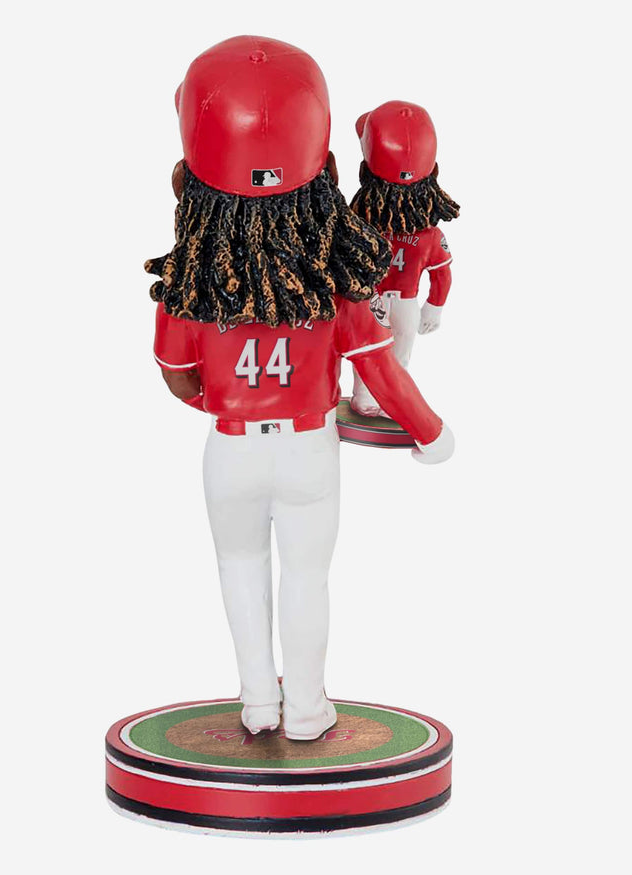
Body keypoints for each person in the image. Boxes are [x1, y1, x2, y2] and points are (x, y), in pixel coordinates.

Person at [146, 37, 455, 741]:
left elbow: (176, 376)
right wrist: (432, 433)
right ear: (327, 170)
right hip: (310, 448)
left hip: (230, 452)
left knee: (239, 566)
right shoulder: (335, 278)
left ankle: (259, 701)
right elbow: (381, 372)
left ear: (189, 178)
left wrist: (227, 403)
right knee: (307, 578)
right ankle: (308, 710)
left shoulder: (193, 279)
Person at [350, 101, 460, 416]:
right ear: (433, 173)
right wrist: (435, 306)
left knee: (367, 353)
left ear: (364, 172)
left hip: (369, 301)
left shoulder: (360, 222)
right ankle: (393, 403)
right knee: (399, 357)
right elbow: (442, 275)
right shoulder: (430, 235)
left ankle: (366, 399)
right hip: (406, 304)